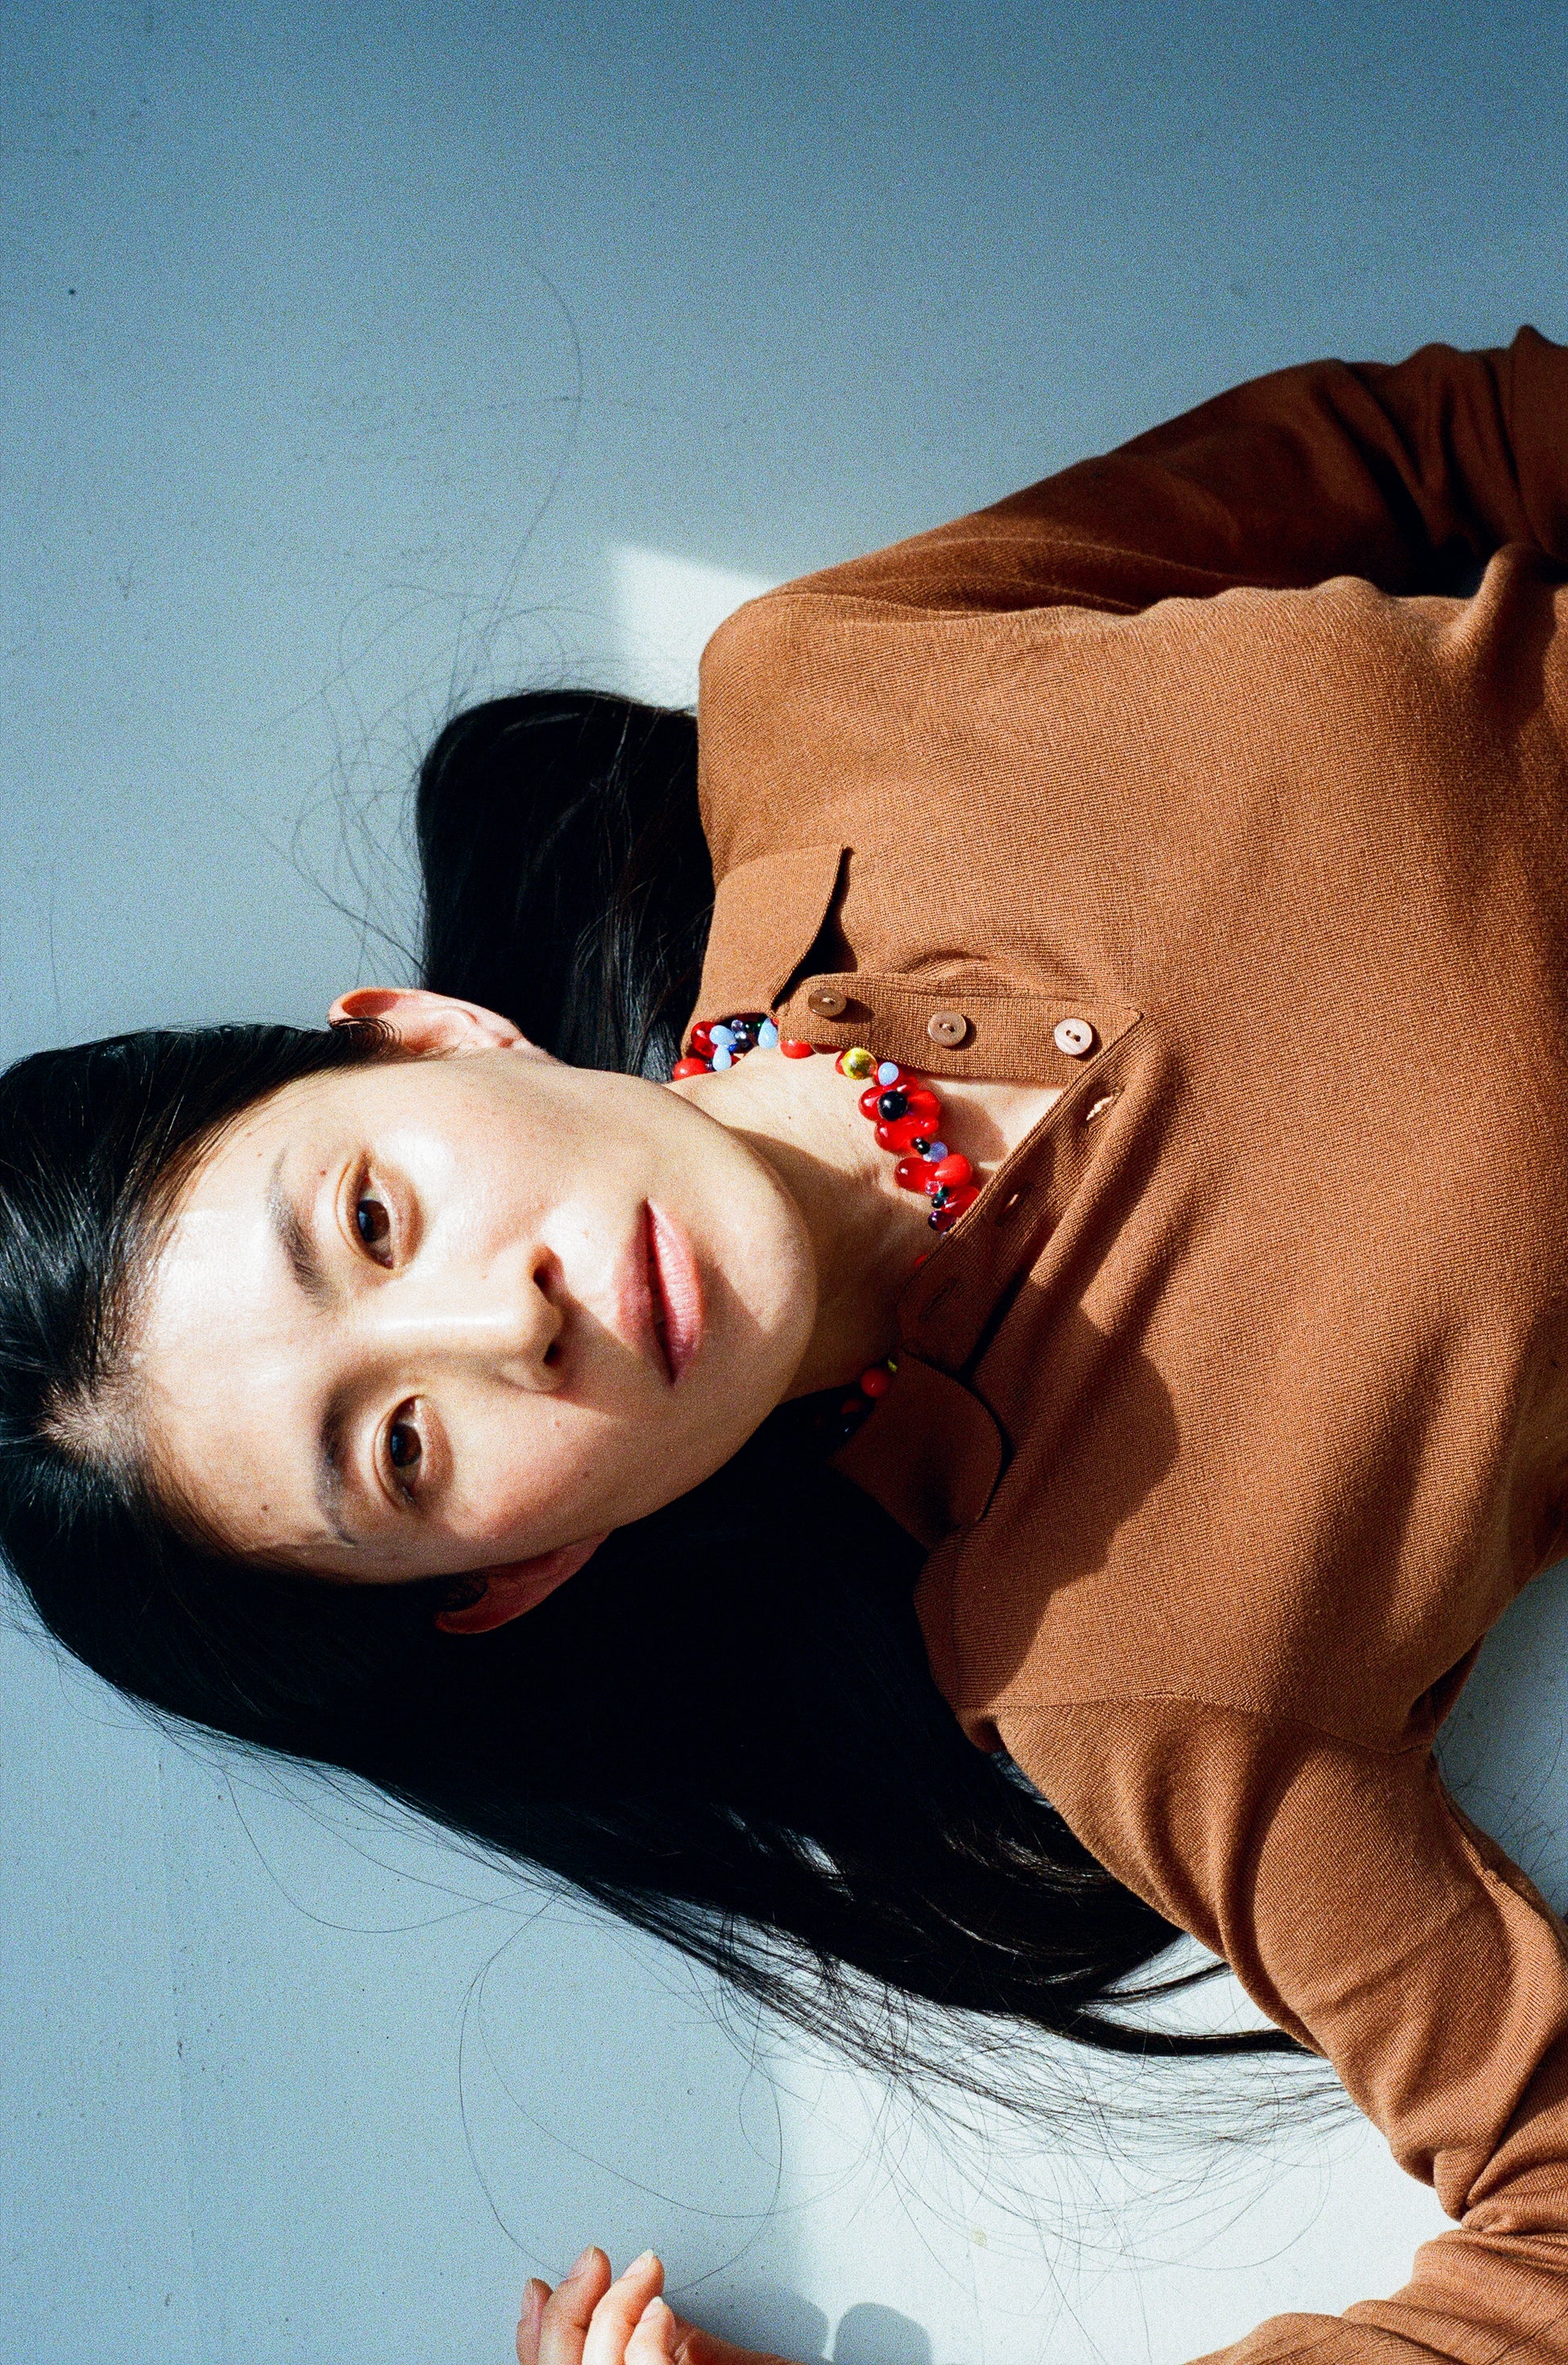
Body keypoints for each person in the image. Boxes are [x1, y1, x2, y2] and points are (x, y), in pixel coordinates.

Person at [4, 326, 1568, 2365]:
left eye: (371, 1218)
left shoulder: (828, 684)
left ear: (428, 1039)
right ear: (515, 1572)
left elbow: (1425, 438)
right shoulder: (1125, 1666)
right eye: (398, 1450)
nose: (503, 1319)